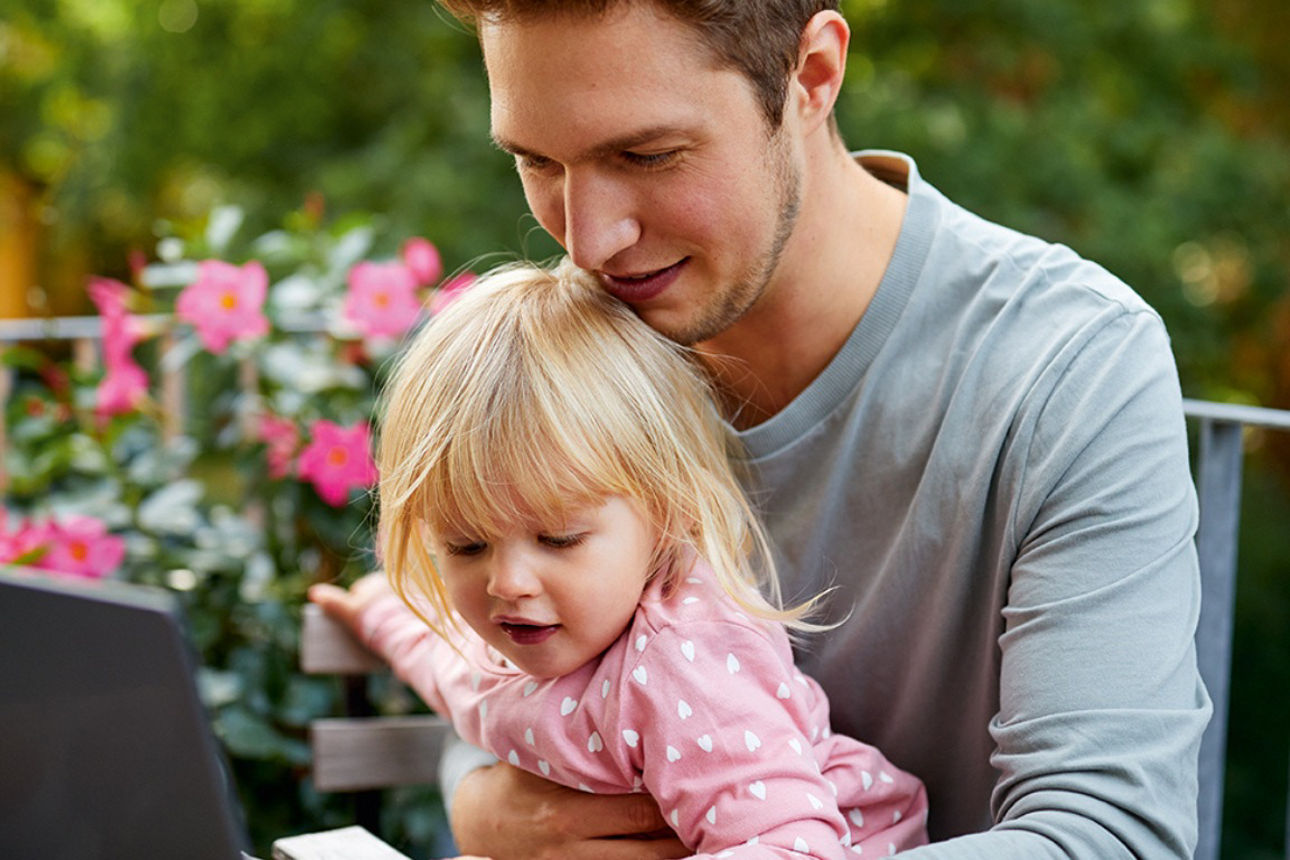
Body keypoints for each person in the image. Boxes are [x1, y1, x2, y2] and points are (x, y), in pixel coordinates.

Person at [364, 1, 1212, 857]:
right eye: (536, 161)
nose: (589, 241)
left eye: (648, 155)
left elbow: (1110, 839)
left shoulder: (1068, 365)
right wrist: (481, 804)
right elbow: (518, 668)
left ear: (811, 76)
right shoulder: (578, 350)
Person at [311, 258, 930, 858]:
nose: (509, 582)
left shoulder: (682, 663)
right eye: (466, 545)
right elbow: (442, 660)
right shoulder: (503, 643)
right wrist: (377, 612)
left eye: (558, 539)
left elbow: (795, 846)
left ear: (667, 511)